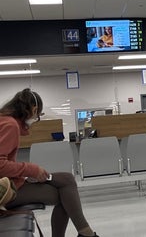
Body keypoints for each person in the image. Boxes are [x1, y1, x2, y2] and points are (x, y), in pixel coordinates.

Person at [0, 88, 99, 237]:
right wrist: (31, 170)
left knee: (67, 180)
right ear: (33, 110)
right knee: (64, 196)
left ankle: (86, 233)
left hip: (10, 183)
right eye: (38, 115)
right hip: (5, 190)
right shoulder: (10, 125)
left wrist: (28, 173)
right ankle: (86, 234)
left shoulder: (5, 121)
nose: (36, 119)